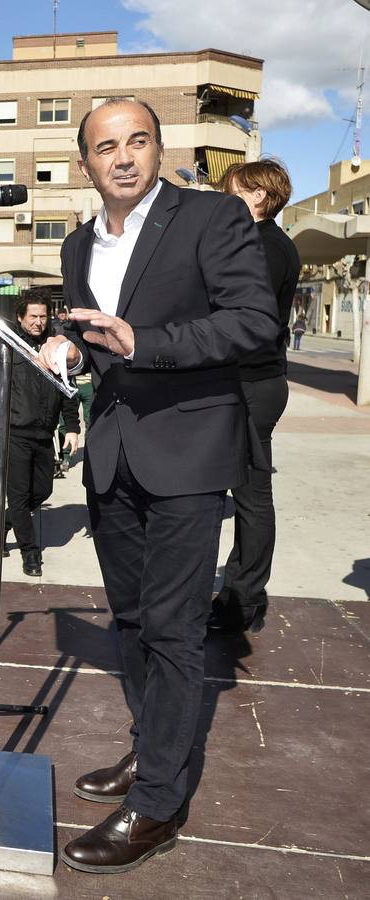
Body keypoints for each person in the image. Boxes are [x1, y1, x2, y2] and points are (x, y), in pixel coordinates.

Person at [36, 99, 279, 874]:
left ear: (158, 147)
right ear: (86, 164)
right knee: (134, 622)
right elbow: (93, 337)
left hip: (188, 453)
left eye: (138, 140)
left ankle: (160, 804)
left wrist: (149, 342)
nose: (124, 157)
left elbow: (254, 322)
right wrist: (71, 353)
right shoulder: (77, 244)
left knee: (174, 631)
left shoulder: (211, 220)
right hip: (113, 456)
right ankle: (150, 754)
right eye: (106, 147)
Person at [210, 159, 301, 634]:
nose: (226, 198)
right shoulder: (270, 243)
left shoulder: (263, 246)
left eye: (233, 191)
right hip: (255, 381)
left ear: (258, 196)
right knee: (248, 490)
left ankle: (244, 599)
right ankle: (241, 592)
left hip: (252, 383)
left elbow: (241, 316)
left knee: (250, 493)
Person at [0, 293, 81, 576]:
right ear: (21, 317)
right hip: (15, 432)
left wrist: (72, 426)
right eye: (32, 316)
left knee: (43, 490)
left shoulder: (55, 346)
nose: (38, 322)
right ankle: (30, 553)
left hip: (44, 433)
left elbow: (67, 388)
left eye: (43, 316)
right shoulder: (9, 344)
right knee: (20, 497)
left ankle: (2, 522)